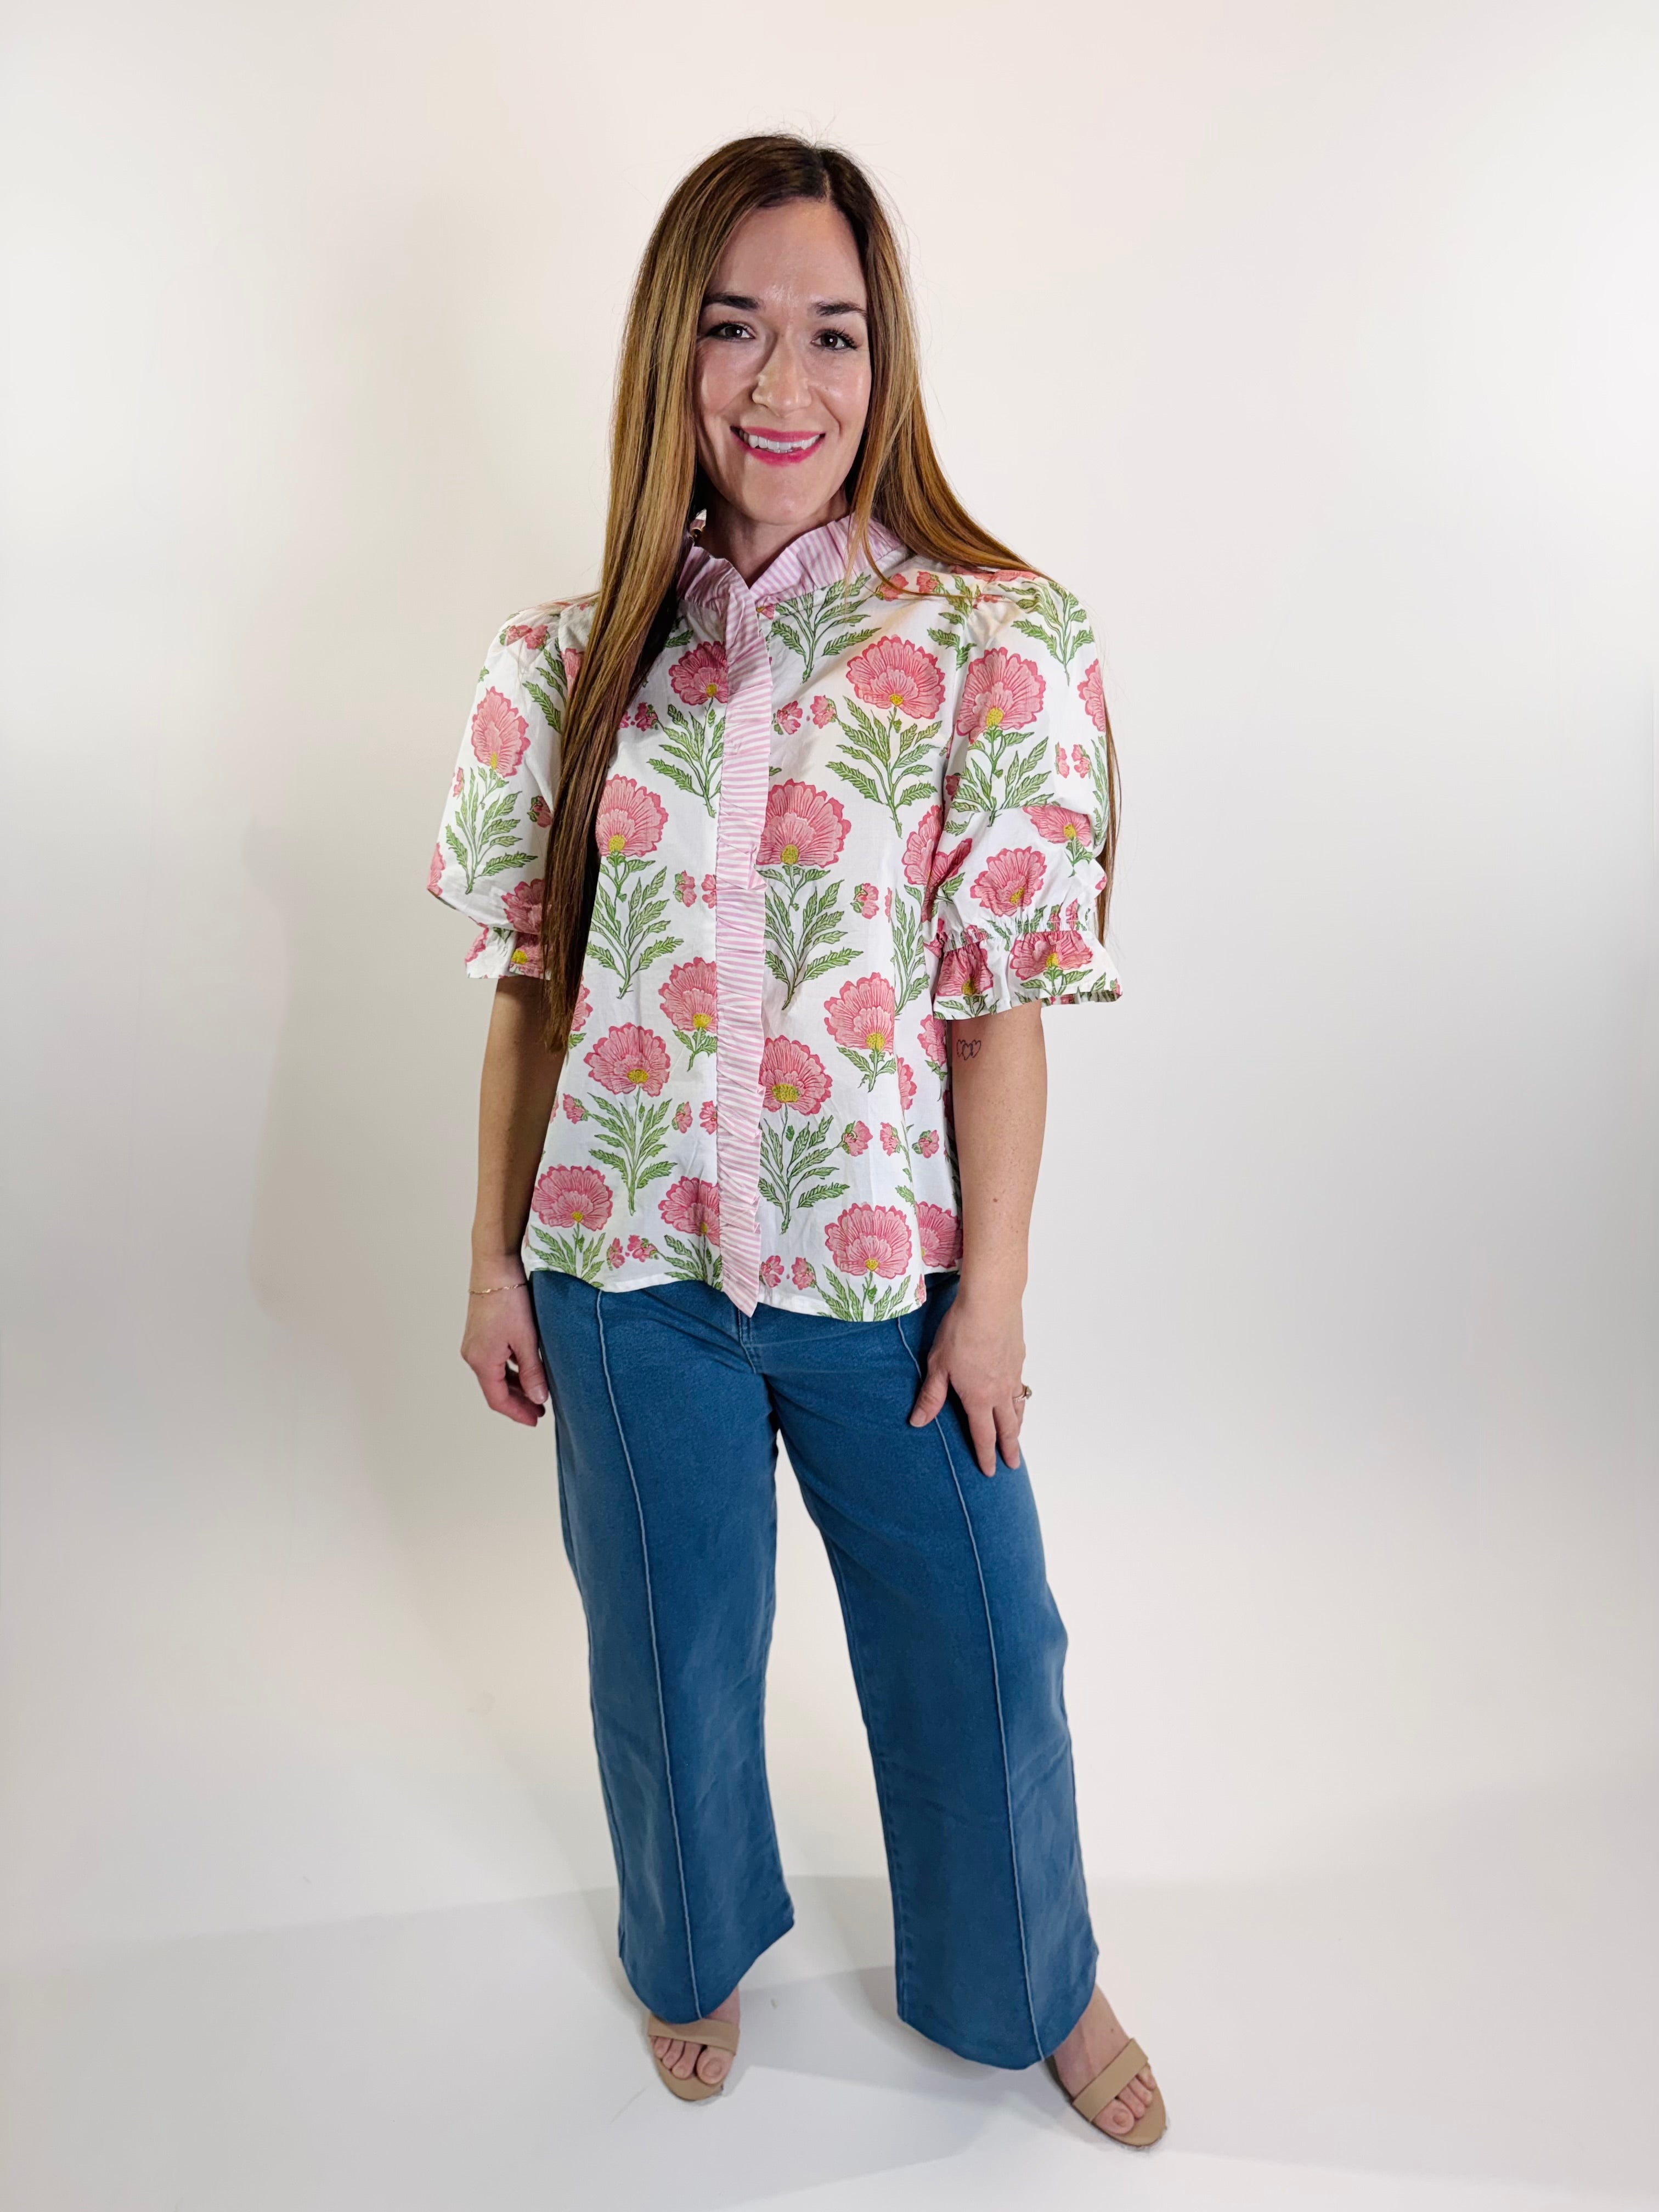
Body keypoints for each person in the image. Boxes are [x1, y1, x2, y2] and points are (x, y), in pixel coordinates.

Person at [427, 133, 1165, 2149]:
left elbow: (995, 1012)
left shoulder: (992, 642)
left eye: (832, 334)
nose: (784, 383)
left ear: (883, 361)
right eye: (736, 328)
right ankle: (688, 1952)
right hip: (623, 1282)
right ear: (671, 352)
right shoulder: (564, 665)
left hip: (883, 1290)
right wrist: (493, 1263)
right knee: (667, 1662)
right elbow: (533, 996)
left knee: (984, 1650)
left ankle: (1035, 1979)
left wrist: (990, 1304)